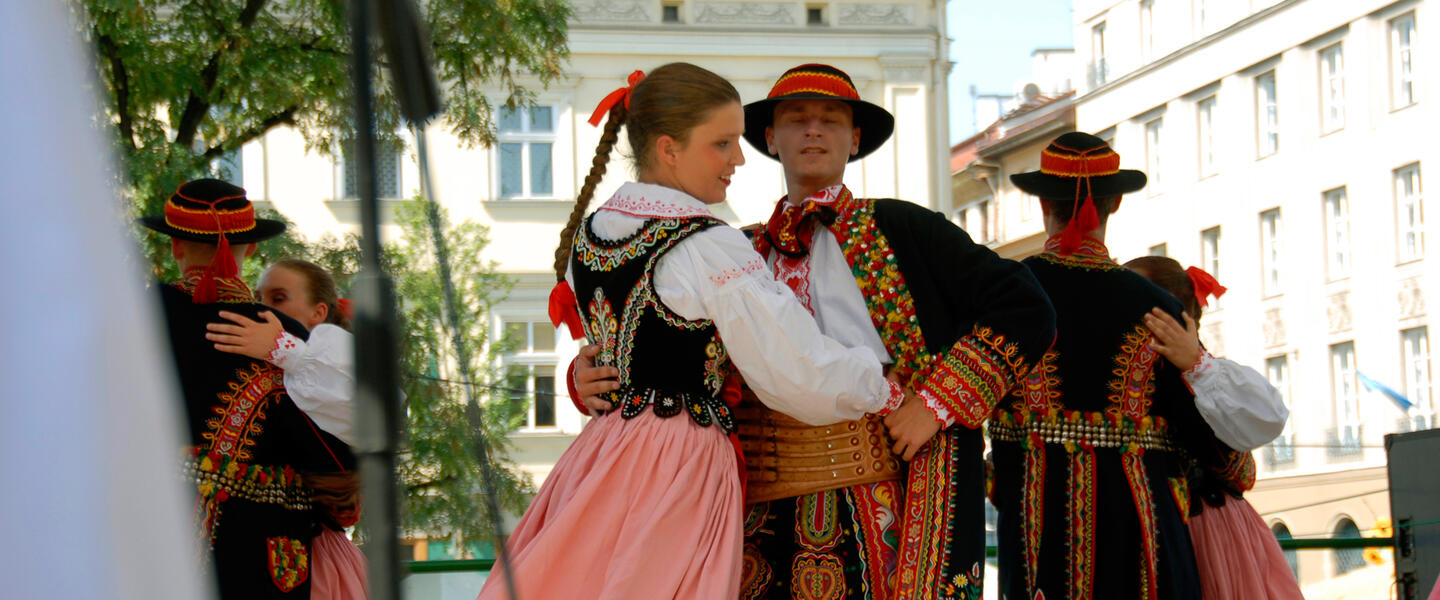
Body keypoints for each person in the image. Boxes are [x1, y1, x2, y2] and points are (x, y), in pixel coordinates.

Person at [574, 63, 1056, 599]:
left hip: (878, 494)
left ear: (855, 140)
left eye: (830, 119)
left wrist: (937, 401)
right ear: (769, 139)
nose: (812, 130)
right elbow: (659, 338)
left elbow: (1026, 307)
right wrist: (585, 373)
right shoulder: (730, 247)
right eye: (796, 118)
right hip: (753, 504)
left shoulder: (905, 228)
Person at [477, 63, 910, 600]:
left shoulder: (589, 235)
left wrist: (581, 374)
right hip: (677, 459)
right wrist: (885, 387)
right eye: (722, 143)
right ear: (669, 149)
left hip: (605, 452)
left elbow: (618, 348)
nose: (739, 159)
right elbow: (794, 371)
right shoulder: (708, 244)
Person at [989, 132, 1212, 600]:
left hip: (1035, 527)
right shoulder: (1160, 309)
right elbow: (1210, 441)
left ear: (1042, 202)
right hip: (1140, 530)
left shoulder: (1004, 295)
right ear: (1113, 204)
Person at [139, 179, 357, 598]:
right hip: (260, 554)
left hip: (147, 536)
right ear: (249, 248)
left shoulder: (132, 320)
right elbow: (334, 456)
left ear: (175, 246)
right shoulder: (285, 338)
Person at [1125, 256, 1301, 600]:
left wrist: (1196, 363)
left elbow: (1268, 418)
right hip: (1152, 527)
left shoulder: (1202, 372)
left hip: (1206, 530)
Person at [204, 258, 366, 600]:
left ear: (318, 312)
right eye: (259, 297)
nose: (262, 309)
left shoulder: (333, 364)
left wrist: (285, 350)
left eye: (278, 299)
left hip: (312, 555)